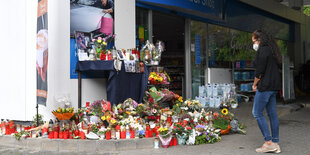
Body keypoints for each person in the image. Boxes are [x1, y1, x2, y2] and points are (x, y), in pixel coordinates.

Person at [251, 30, 282, 153]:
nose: (253, 44)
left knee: (257, 113)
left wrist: (254, 85)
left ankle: (268, 142)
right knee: (272, 114)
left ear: (259, 39)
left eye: (254, 41)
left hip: (265, 87)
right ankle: (275, 143)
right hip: (274, 87)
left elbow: (259, 72)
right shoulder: (272, 50)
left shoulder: (263, 50)